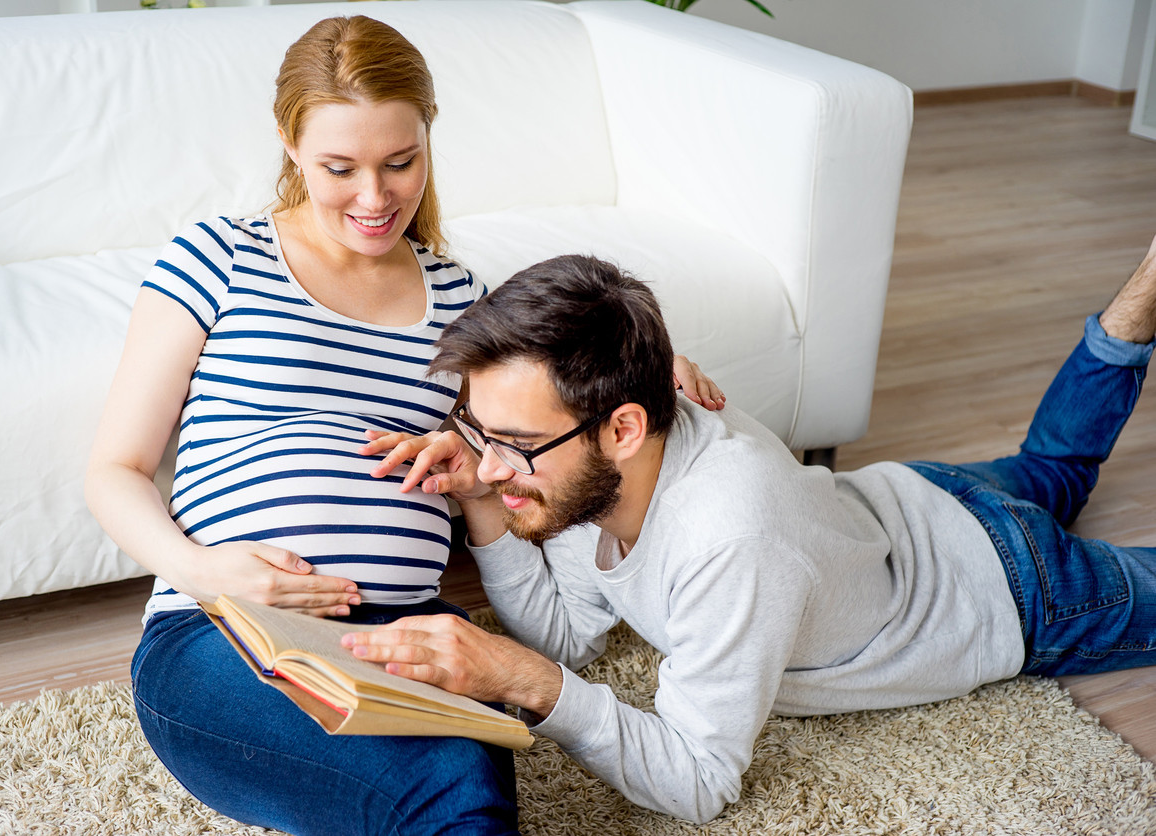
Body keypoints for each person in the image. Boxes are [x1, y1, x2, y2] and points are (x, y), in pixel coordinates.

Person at [85, 15, 722, 835]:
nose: (375, 198)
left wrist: (646, 364)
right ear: (289, 145)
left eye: (401, 162)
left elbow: (552, 395)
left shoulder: (461, 300)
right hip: (223, 626)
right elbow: (114, 469)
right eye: (339, 168)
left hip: (413, 631)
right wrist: (204, 571)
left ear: (428, 138)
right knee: (437, 797)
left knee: (462, 780)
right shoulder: (219, 257)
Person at [349, 238, 1156, 824]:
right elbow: (564, 630)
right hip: (914, 494)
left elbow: (701, 780)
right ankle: (1141, 298)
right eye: (477, 429)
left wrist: (528, 683)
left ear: (625, 428)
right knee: (1050, 471)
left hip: (1008, 590)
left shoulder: (730, 541)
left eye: (514, 447)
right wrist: (486, 500)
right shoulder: (606, 436)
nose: (487, 465)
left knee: (1064, 496)